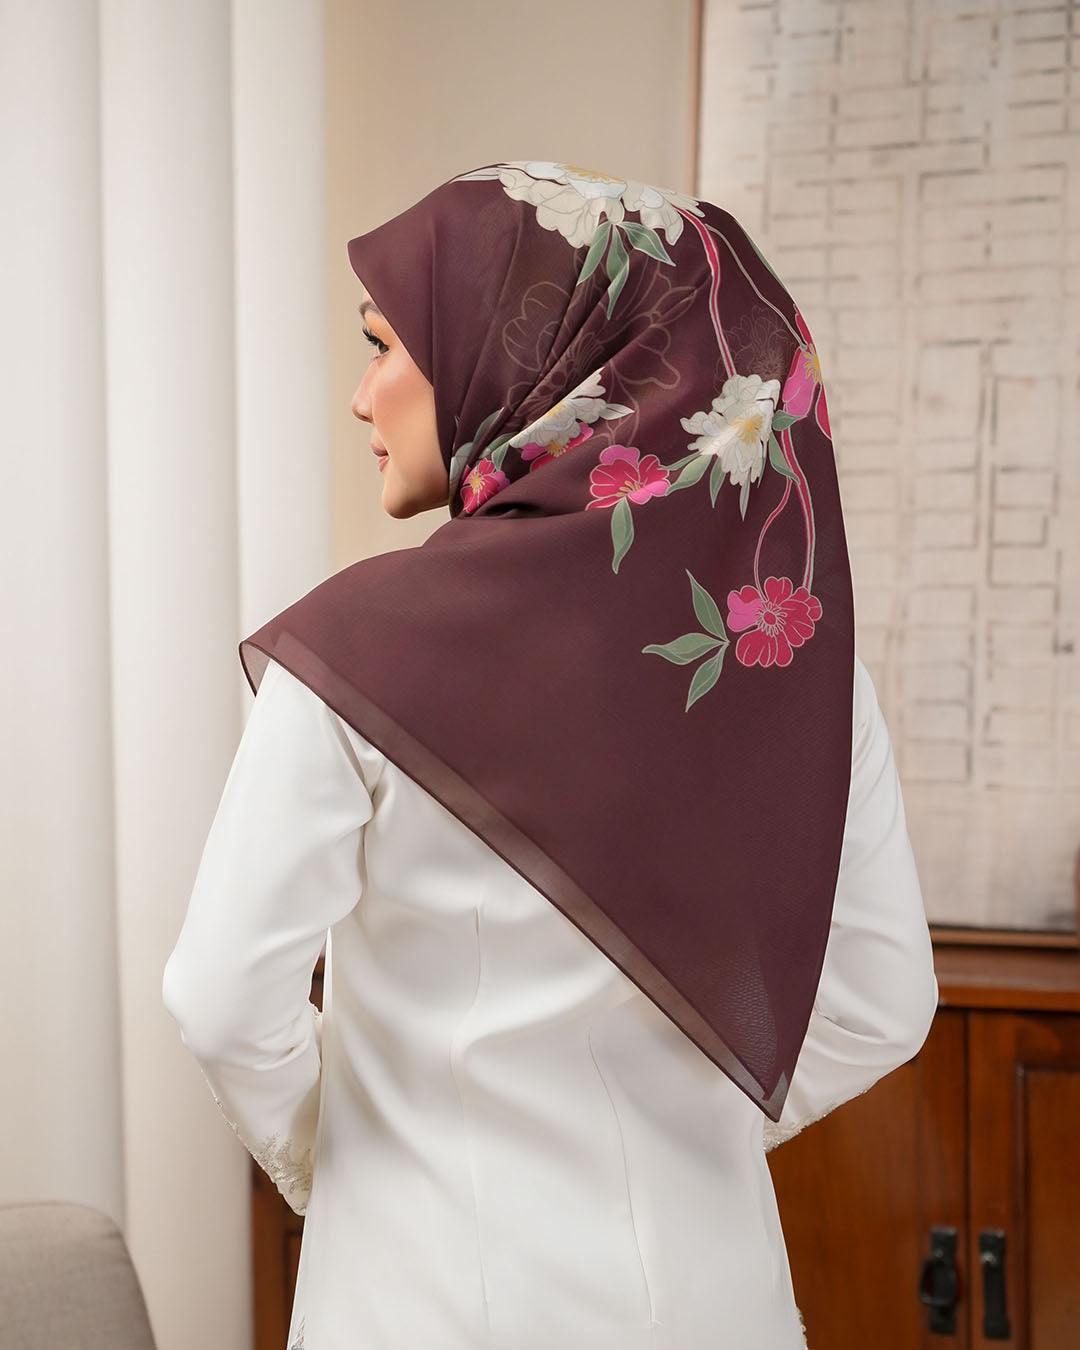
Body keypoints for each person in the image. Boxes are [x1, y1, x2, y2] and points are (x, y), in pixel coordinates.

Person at [162, 161, 939, 1349]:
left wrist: (341, 1160)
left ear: (524, 364)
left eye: (383, 346)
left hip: (428, 1299)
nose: (362, 398)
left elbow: (221, 1001)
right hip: (716, 1301)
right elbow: (885, 1003)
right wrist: (691, 1135)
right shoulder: (783, 659)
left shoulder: (353, 651)